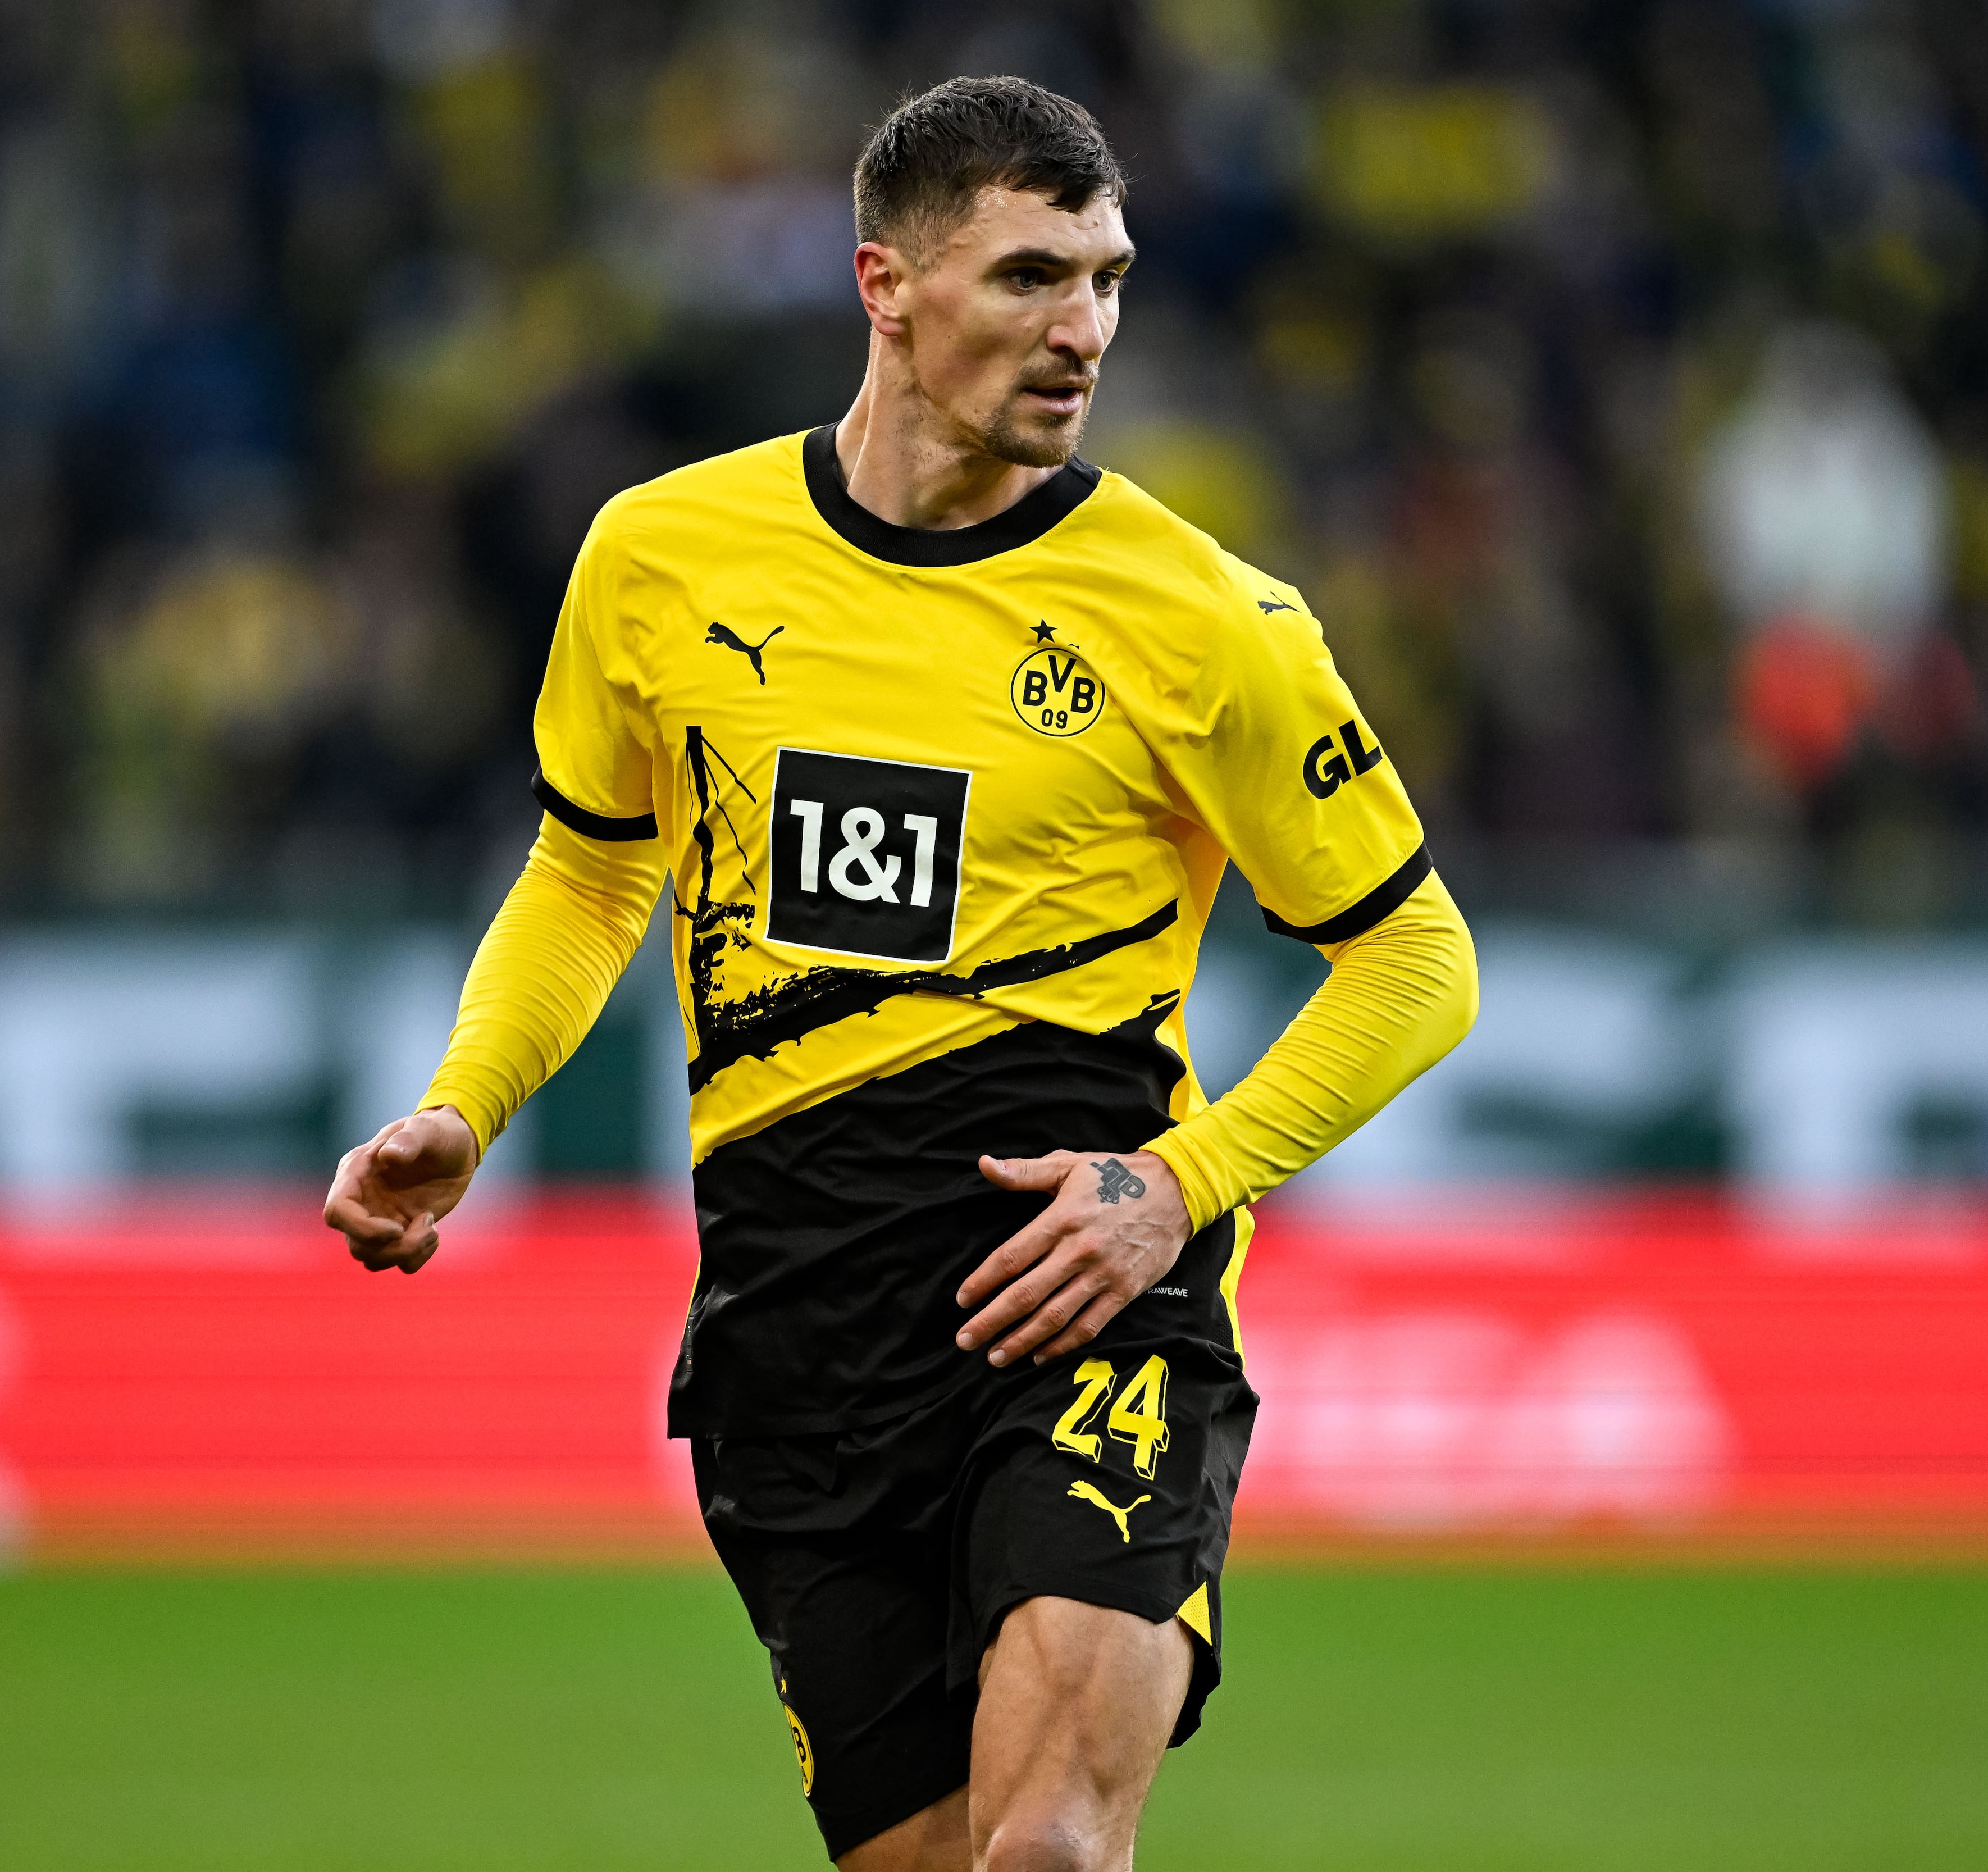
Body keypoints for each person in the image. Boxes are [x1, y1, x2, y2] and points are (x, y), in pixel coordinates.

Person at [322, 75, 1476, 1872]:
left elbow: (1418, 962)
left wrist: (1182, 1188)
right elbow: (586, 868)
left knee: (1049, 1857)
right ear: (884, 284)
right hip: (803, 1332)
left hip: (1086, 1290)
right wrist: (468, 1103)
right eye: (1028, 278)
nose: (1081, 328)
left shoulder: (1205, 620)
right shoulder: (659, 559)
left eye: (1105, 278)